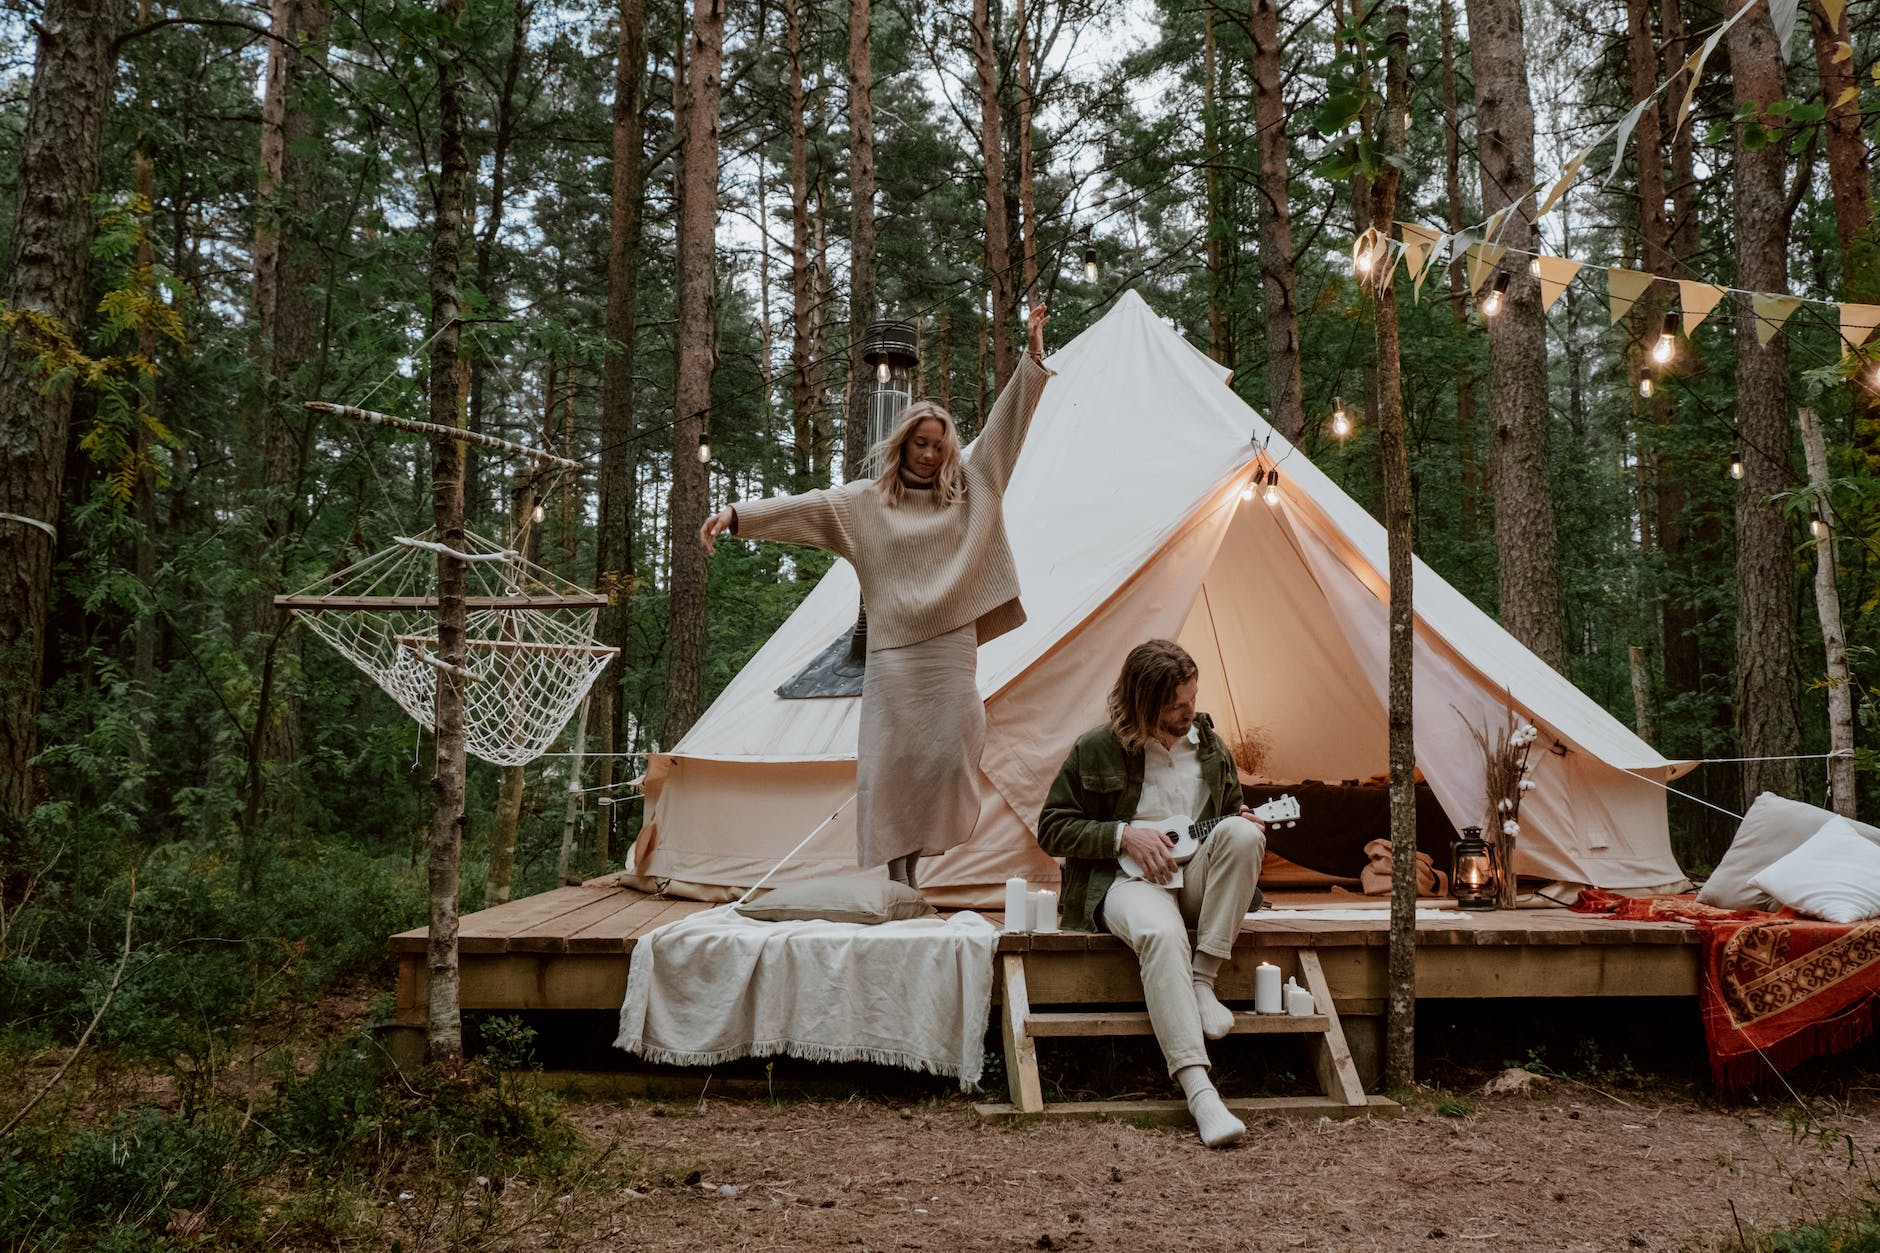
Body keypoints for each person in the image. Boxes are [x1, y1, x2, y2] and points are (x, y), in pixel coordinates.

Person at [699, 304, 1054, 888]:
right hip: (895, 653)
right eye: (920, 442)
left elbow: (1006, 427)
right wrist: (738, 516)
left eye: (940, 444)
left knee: (947, 753)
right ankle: (899, 877)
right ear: (904, 444)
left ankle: (916, 864)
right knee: (895, 763)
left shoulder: (971, 488)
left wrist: (1032, 359)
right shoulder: (868, 503)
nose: (931, 453)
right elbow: (806, 508)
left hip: (949, 648)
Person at [1036, 638, 1267, 1149]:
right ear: (1144, 702)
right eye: (1176, 705)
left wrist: (1242, 819)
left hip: (1196, 885)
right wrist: (1123, 835)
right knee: (1161, 936)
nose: (1190, 712)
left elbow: (1231, 814)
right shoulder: (1096, 747)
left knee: (1245, 833)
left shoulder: (1210, 747)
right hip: (1125, 883)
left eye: (1192, 699)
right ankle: (1201, 1092)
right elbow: (1051, 827)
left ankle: (1202, 980)